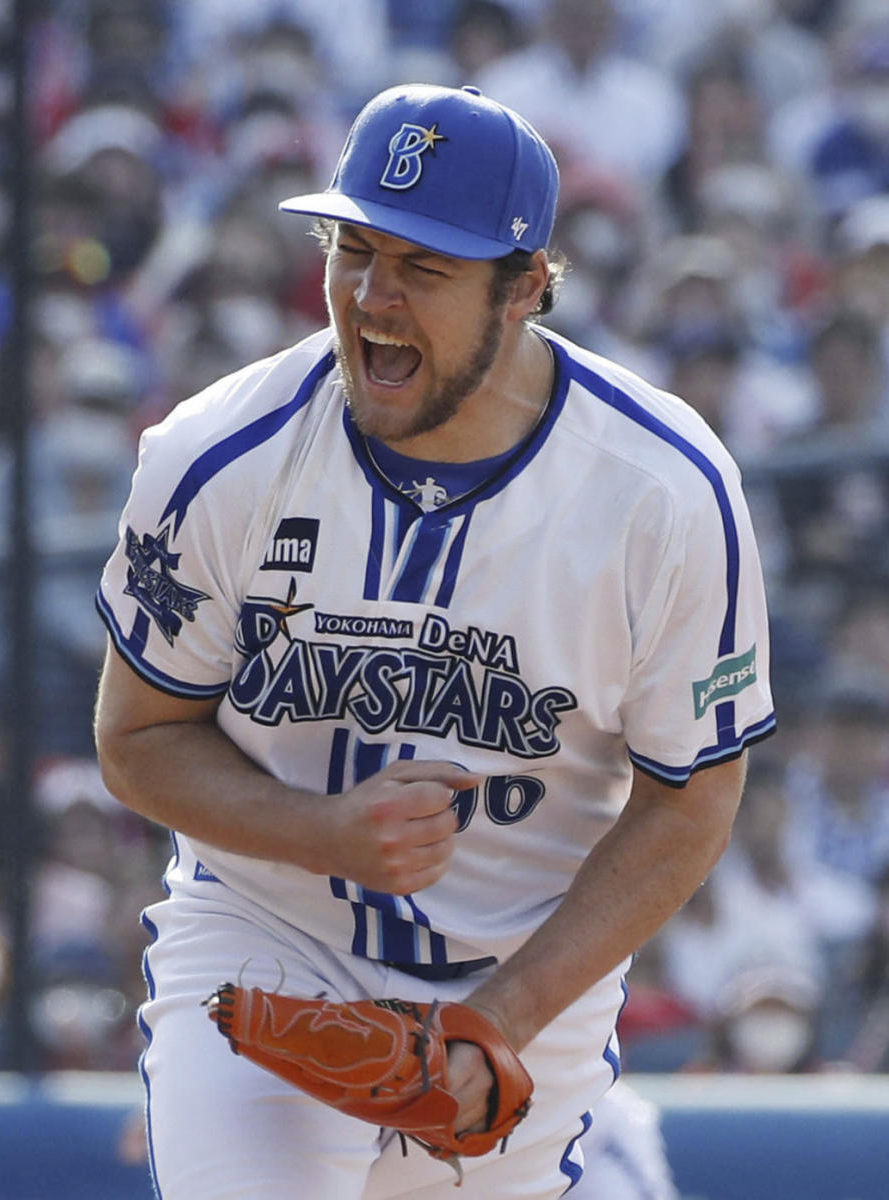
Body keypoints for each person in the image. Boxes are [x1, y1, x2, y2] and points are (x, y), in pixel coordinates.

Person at [93, 83, 776, 1199]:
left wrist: (504, 1015)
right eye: (353, 248)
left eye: (424, 266)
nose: (373, 296)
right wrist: (319, 831)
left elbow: (692, 795)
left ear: (527, 289)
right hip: (270, 938)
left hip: (524, 972)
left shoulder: (665, 492)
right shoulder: (216, 455)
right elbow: (135, 739)